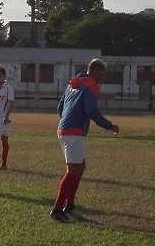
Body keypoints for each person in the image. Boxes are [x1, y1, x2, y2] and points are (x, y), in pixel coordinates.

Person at [51, 58, 120, 223]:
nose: (102, 78)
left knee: (79, 167)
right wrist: (109, 126)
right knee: (73, 170)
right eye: (102, 74)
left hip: (65, 129)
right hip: (73, 132)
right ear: (95, 71)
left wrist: (68, 120)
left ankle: (70, 204)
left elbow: (60, 106)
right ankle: (57, 209)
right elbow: (91, 111)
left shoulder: (73, 83)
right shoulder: (90, 86)